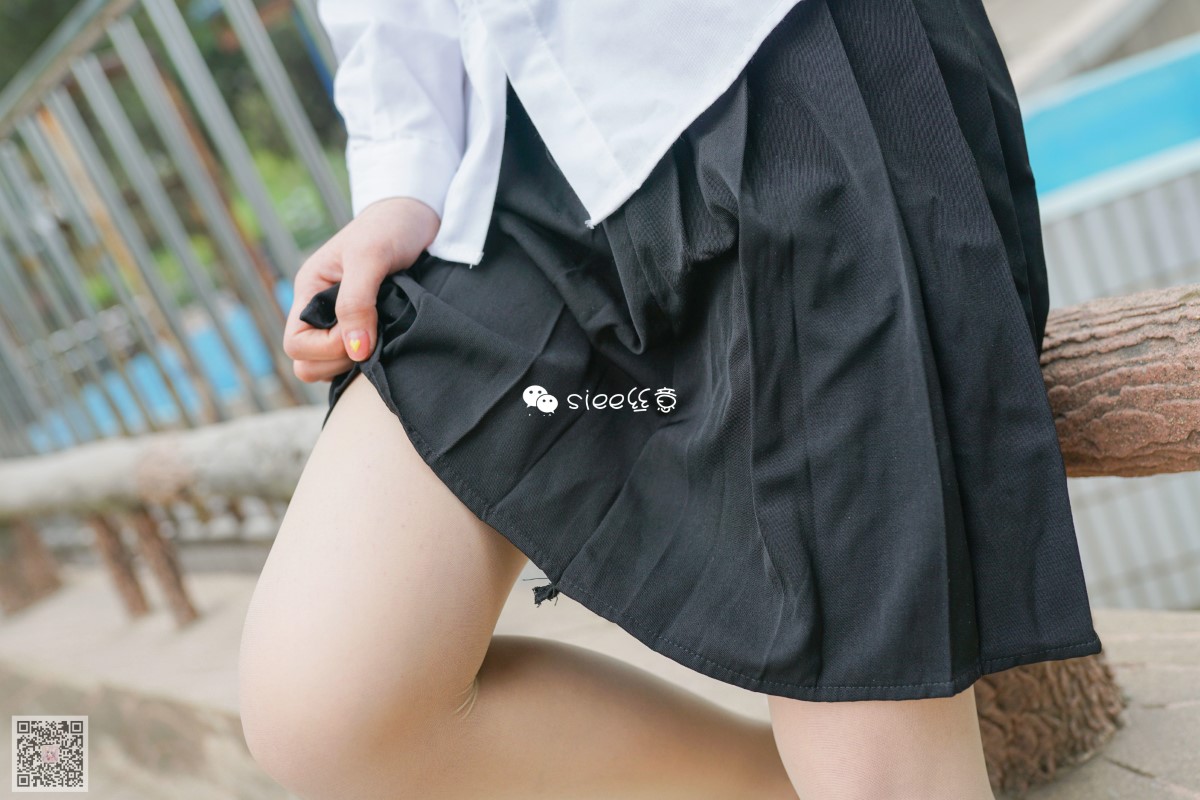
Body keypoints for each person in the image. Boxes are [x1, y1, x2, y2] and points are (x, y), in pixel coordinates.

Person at [238, 0, 1104, 797]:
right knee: (327, 710)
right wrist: (402, 173)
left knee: (878, 777)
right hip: (509, 148)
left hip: (790, 69)